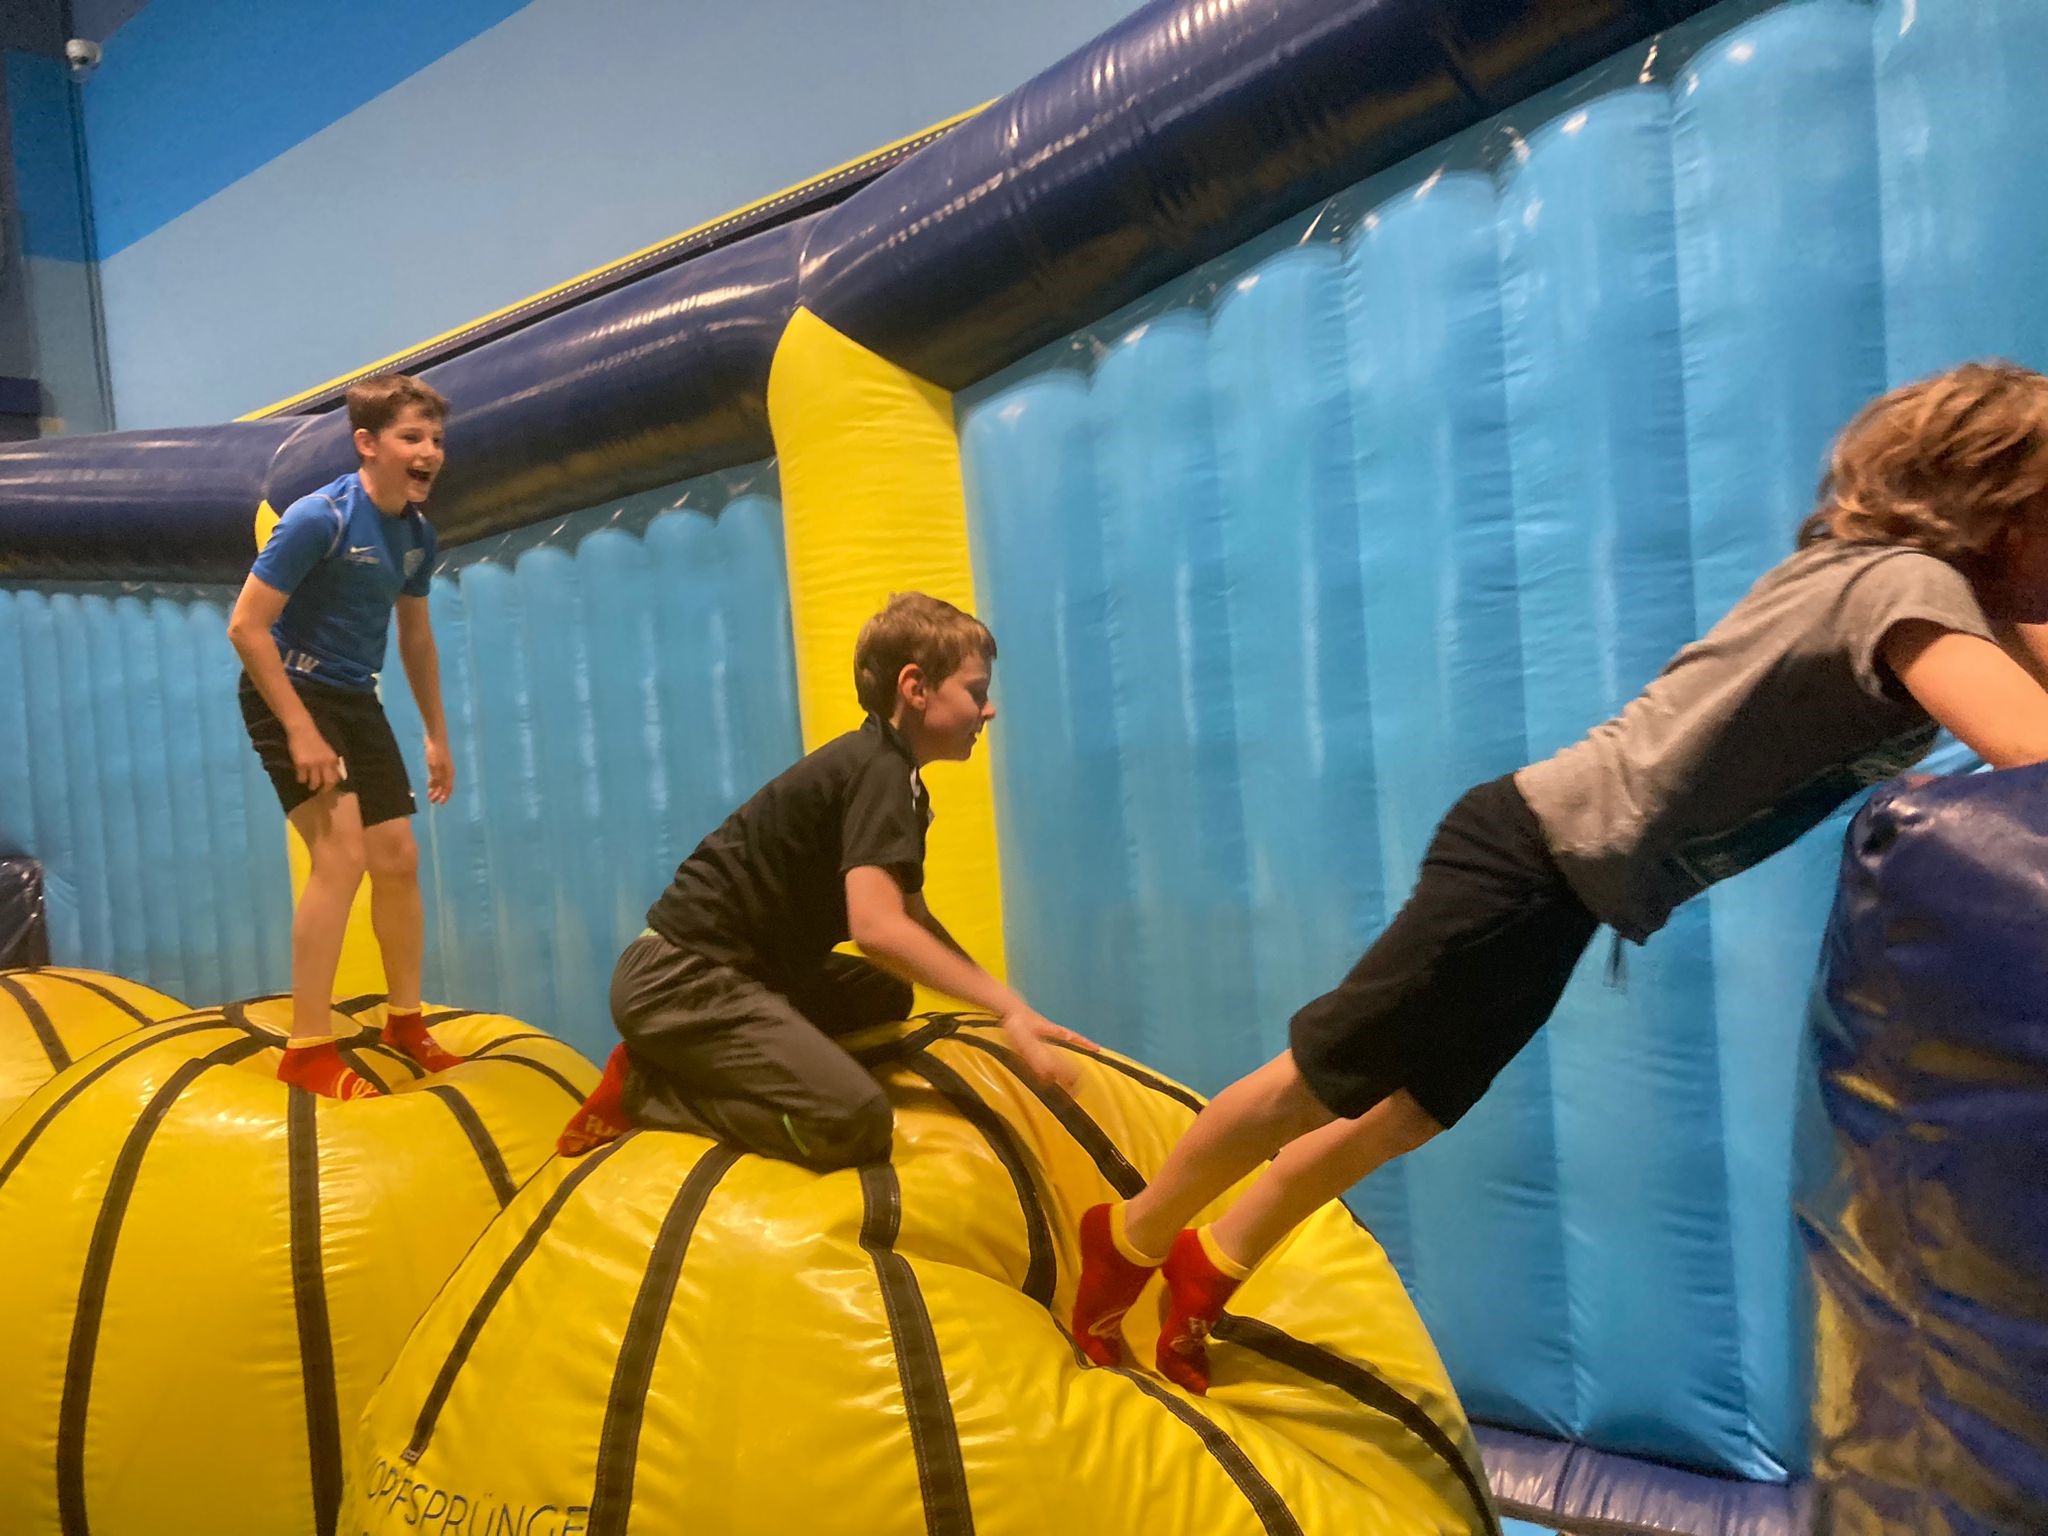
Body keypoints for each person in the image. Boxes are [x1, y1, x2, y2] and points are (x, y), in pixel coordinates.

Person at [1073, 360, 2048, 1393]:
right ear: (1997, 509)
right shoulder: (1903, 585)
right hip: (1524, 851)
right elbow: (2030, 750)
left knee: (1410, 1110)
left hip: (1567, 885)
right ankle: (1126, 1241)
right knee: (1315, 1082)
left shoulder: (1899, 582)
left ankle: (1210, 1264)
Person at [560, 591, 1093, 1168]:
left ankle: (721, 1060)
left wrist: (1007, 1007)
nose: (989, 711)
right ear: (916, 688)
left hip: (737, 969)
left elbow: (913, 920)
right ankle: (649, 1091)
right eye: (976, 692)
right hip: (679, 979)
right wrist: (1007, 1007)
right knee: (853, 1121)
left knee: (886, 993)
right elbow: (877, 929)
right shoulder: (879, 771)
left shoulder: (897, 780)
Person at [228, 373, 460, 1100]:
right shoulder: (319, 518)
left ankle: (404, 1022)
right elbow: (246, 627)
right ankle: (306, 1048)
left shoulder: (417, 535)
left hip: (354, 698)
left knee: (398, 857)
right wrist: (299, 730)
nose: (429, 452)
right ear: (367, 443)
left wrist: (436, 735)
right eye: (411, 437)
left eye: (436, 439)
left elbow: (415, 639)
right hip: (289, 693)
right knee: (340, 857)